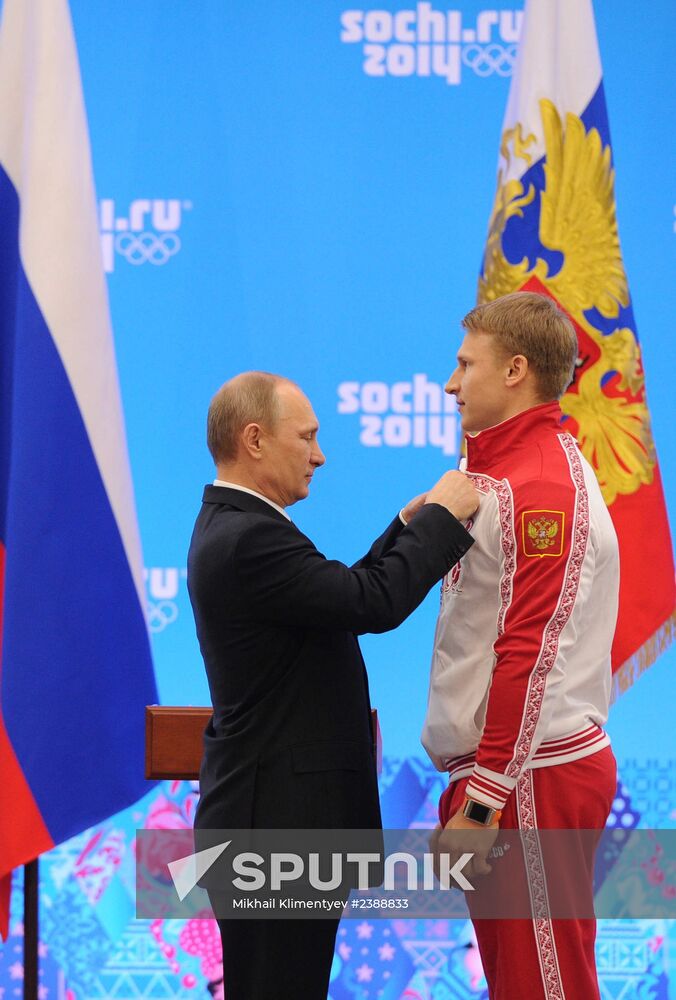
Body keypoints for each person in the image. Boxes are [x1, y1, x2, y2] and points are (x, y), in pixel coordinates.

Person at [187, 371, 480, 1000]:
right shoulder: (248, 537)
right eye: (309, 438)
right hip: (275, 831)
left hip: (270, 824)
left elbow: (336, 597)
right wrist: (444, 521)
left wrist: (407, 524)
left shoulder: (235, 525)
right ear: (256, 439)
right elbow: (370, 602)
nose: (320, 455)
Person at [424, 292, 619, 999]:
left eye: (464, 364)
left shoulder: (538, 488)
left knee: (546, 987)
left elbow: (530, 654)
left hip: (530, 775)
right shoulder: (506, 473)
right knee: (525, 983)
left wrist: (485, 799)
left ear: (513, 371)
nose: (451, 383)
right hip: (516, 774)